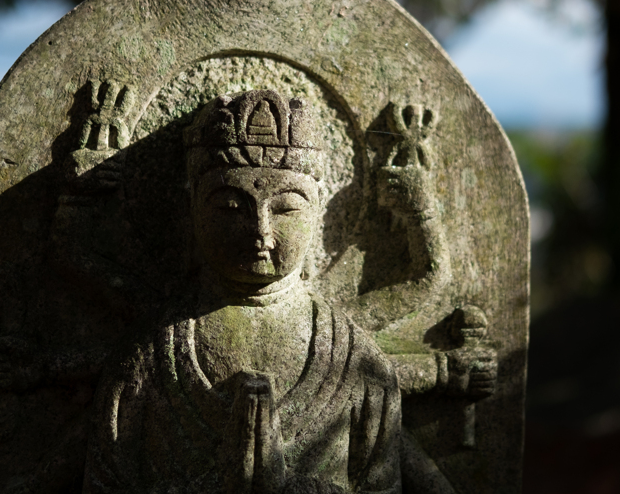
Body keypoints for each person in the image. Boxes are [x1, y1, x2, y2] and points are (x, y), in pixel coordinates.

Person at [83, 90, 402, 494]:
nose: (260, 232)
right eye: (231, 207)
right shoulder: (148, 359)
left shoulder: (358, 364)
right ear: (191, 207)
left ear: (318, 210)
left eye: (286, 208)